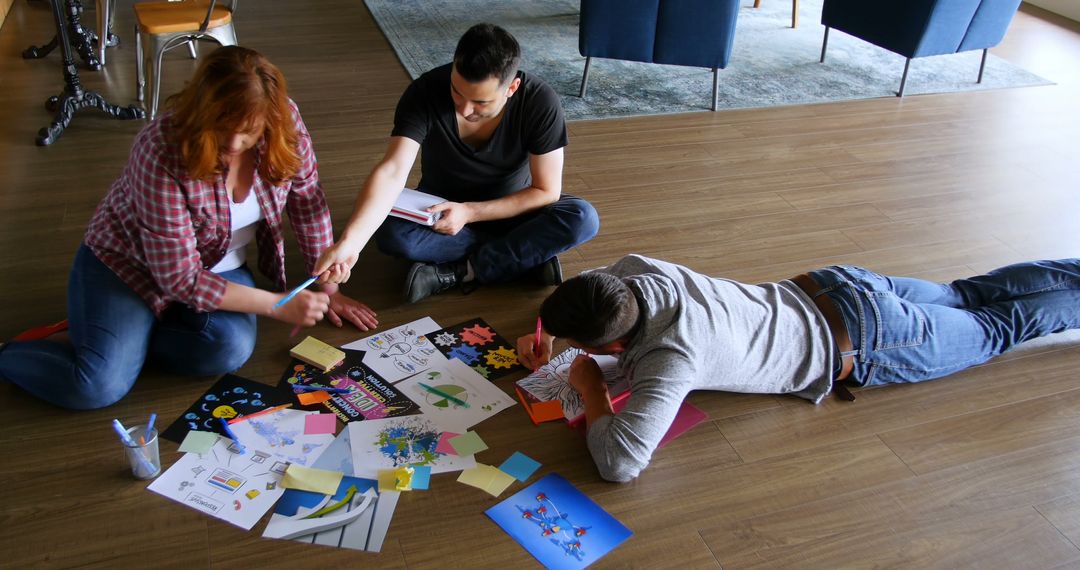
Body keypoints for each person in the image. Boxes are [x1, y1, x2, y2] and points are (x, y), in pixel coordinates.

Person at [0, 46, 377, 410]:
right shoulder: (159, 148)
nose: (232, 143)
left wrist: (330, 286)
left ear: (269, 117)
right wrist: (277, 306)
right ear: (201, 111)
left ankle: (118, 335)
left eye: (247, 132)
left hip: (217, 267)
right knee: (97, 386)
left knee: (228, 349)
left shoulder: (286, 123)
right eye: (222, 127)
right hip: (127, 266)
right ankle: (26, 352)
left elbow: (307, 200)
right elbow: (179, 278)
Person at [516, 254, 1080, 482]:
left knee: (995, 330)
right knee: (964, 293)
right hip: (836, 283)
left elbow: (620, 463)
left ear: (614, 343)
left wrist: (590, 387)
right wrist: (546, 332)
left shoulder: (671, 358)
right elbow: (593, 281)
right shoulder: (634, 270)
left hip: (868, 339)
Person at [315, 23, 599, 303]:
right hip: (437, 212)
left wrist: (469, 213)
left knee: (582, 218)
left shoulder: (539, 101)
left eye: (481, 102)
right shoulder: (425, 91)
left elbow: (546, 191)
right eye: (457, 92)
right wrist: (350, 243)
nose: (464, 109)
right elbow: (392, 171)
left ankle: (463, 271)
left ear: (511, 88)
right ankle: (521, 257)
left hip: (512, 209)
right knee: (391, 234)